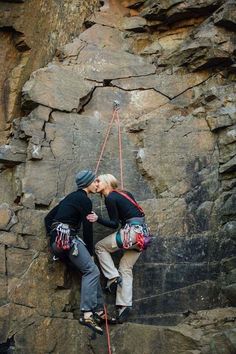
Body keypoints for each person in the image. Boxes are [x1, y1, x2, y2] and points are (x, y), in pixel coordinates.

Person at [44, 170, 116, 335]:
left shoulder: (69, 198)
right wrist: (90, 251)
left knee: (92, 270)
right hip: (69, 239)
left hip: (59, 243)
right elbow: (88, 229)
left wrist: (54, 239)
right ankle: (87, 313)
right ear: (88, 183)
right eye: (95, 182)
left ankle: (98, 311)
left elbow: (48, 218)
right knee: (91, 269)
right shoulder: (84, 200)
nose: (97, 184)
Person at [87, 174, 147, 323]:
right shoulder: (125, 194)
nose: (96, 183)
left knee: (100, 247)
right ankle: (124, 306)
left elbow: (114, 224)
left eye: (98, 180)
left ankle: (112, 278)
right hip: (142, 235)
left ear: (107, 182)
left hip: (131, 233)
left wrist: (97, 219)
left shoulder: (110, 198)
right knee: (125, 268)